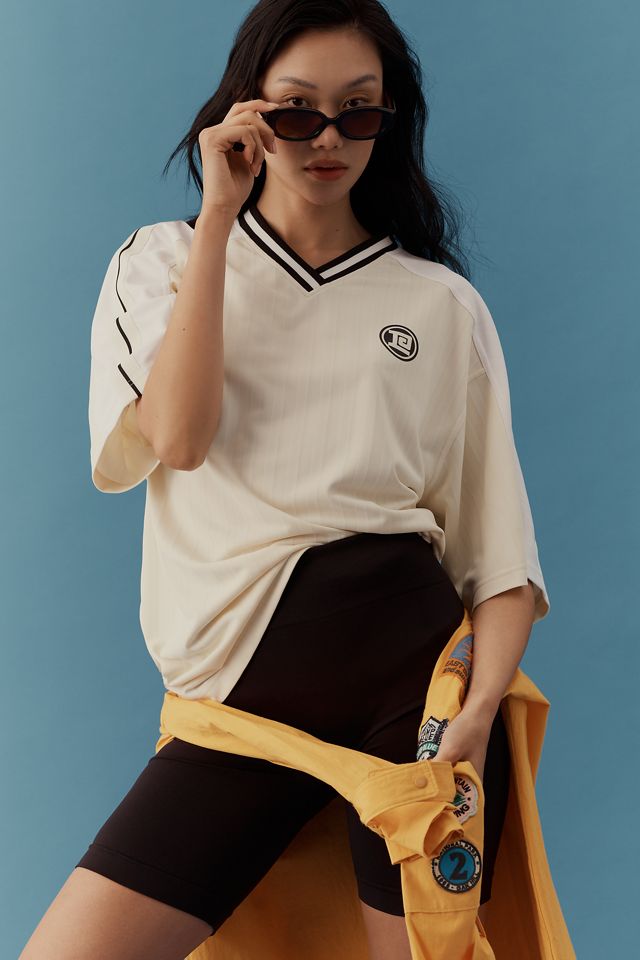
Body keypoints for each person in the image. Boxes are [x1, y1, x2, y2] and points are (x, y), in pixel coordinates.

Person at [19, 2, 550, 959]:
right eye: (297, 112)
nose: (328, 138)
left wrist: (474, 719)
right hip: (237, 716)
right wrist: (220, 218)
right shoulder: (161, 261)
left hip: (413, 705)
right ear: (247, 113)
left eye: (359, 112)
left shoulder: (441, 305)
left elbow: (500, 561)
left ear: (390, 122)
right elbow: (178, 438)